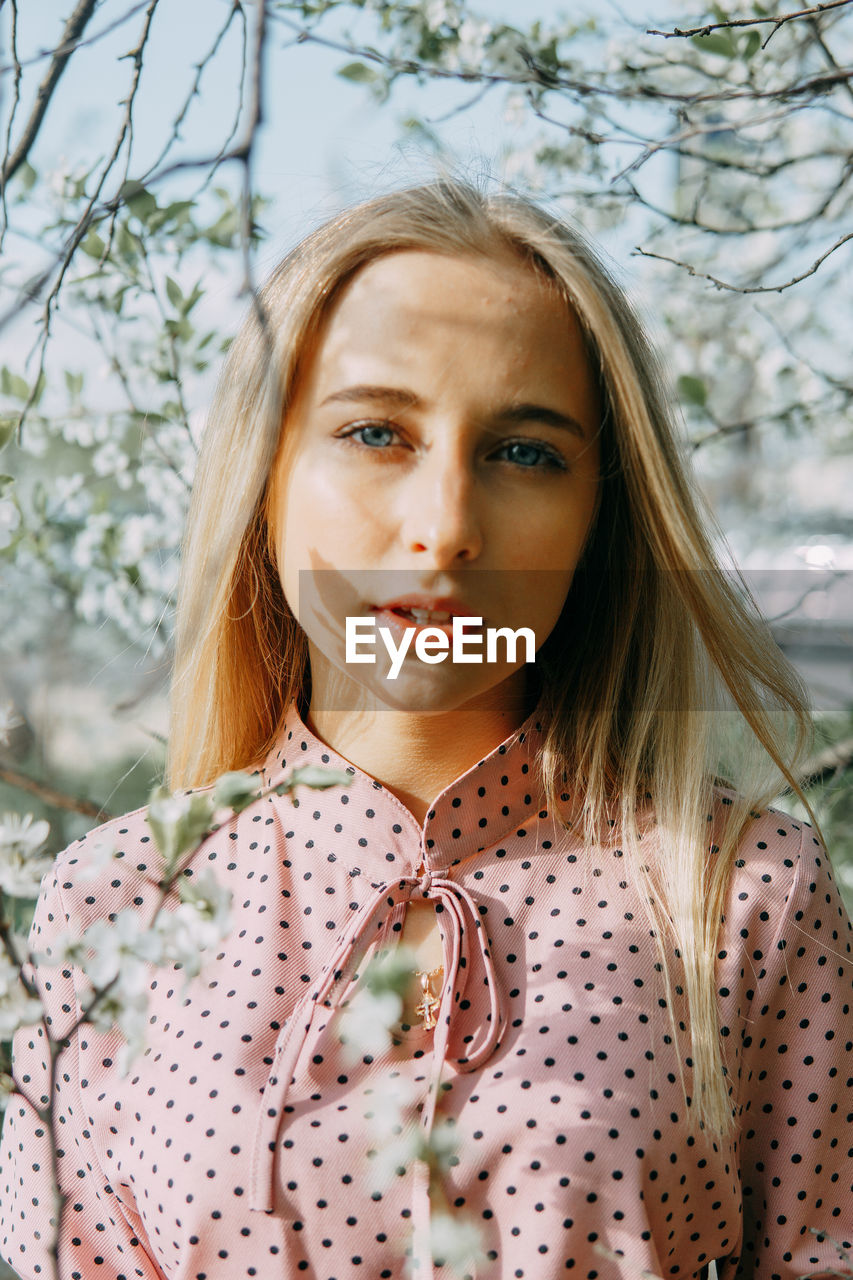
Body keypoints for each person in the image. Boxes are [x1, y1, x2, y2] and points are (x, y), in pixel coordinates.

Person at [1, 179, 851, 1280]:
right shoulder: (112, 904)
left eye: (526, 452)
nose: (445, 527)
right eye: (374, 432)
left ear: (599, 519)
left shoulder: (744, 893)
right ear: (264, 479)